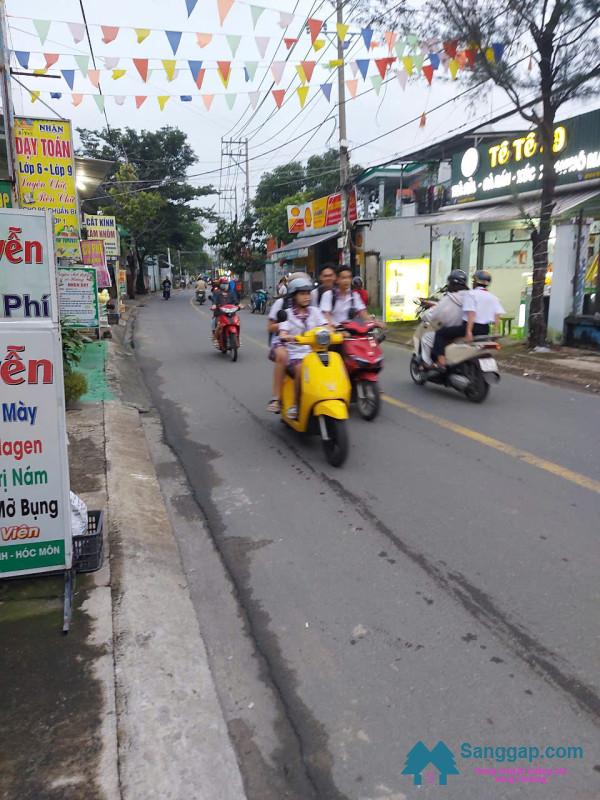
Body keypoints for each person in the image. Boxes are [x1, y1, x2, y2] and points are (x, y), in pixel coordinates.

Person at [271, 278, 329, 419]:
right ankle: (296, 405)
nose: (306, 297)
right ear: (294, 296)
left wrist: (334, 332)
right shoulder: (287, 314)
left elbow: (326, 326)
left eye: (308, 293)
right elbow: (283, 331)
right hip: (294, 354)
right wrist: (286, 336)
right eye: (302, 294)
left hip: (313, 353)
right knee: (300, 370)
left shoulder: (315, 312)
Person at [431, 270, 505, 367]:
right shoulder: (493, 297)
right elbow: (497, 315)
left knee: (440, 333)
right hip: (485, 329)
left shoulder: (471, 294)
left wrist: (468, 331)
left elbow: (471, 313)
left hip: (469, 327)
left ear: (475, 281)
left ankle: (441, 360)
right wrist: (495, 331)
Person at [419, 270, 469, 367]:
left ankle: (428, 363)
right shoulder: (470, 296)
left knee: (427, 338)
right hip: (468, 329)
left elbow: (434, 313)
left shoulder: (449, 298)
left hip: (452, 330)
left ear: (451, 283)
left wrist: (424, 317)